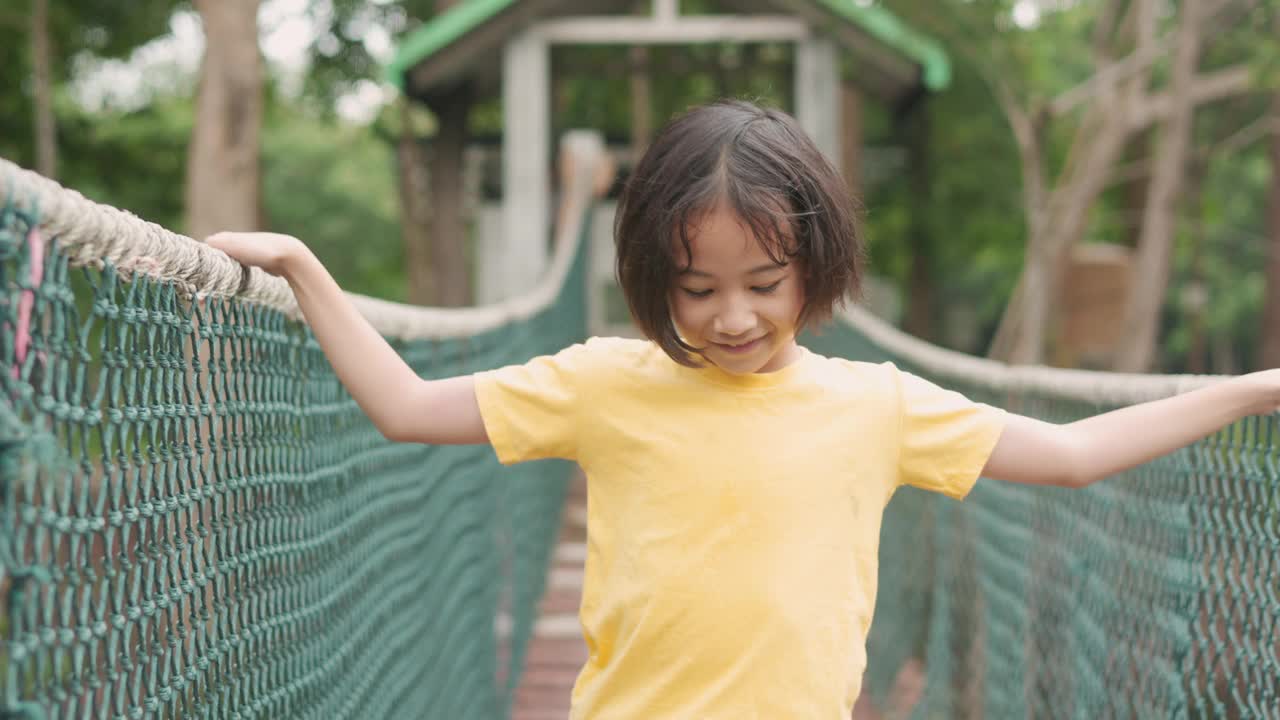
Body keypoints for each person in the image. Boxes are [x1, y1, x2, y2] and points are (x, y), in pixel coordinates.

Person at [206, 100, 1280, 719]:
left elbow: (1073, 452)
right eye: (694, 289)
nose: (730, 317)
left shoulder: (875, 404)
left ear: (815, 270)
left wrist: (1249, 389)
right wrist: (304, 267)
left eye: (763, 285)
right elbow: (403, 406)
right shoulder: (602, 382)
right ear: (648, 280)